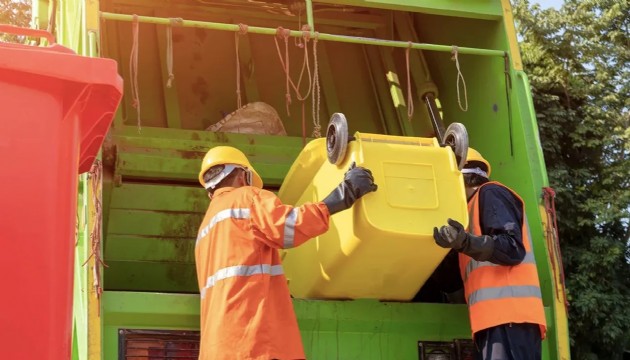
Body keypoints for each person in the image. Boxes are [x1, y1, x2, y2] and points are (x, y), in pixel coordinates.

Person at [194, 146, 377, 360]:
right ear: (244, 175)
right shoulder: (246, 198)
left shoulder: (204, 231)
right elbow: (289, 226)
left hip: (217, 349)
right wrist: (345, 193)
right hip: (254, 342)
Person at [432, 148, 547, 360]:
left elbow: (512, 248)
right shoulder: (467, 213)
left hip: (511, 318)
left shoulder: (491, 193)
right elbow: (452, 279)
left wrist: (465, 242)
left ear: (458, 176)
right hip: (491, 323)